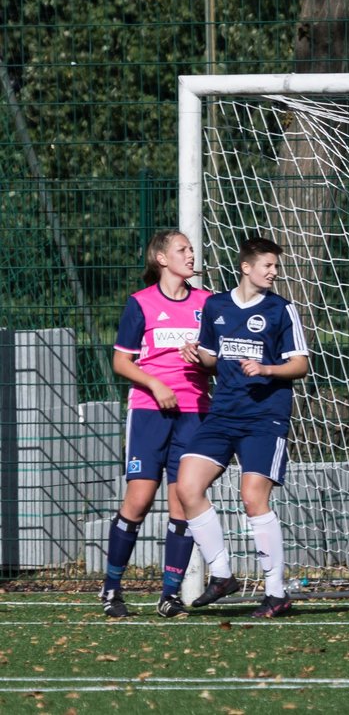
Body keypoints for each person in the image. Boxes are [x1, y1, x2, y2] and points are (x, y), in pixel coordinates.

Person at [174, 236, 309, 619]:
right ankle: (221, 575)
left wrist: (267, 368)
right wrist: (195, 354)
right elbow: (211, 359)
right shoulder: (216, 305)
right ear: (246, 267)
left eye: (276, 267)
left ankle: (276, 593)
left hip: (264, 417)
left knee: (252, 497)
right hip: (223, 414)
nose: (274, 272)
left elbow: (299, 364)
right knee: (187, 486)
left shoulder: (281, 309)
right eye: (268, 265)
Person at [101, 230, 212, 618]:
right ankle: (112, 590)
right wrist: (155, 383)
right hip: (149, 412)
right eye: (182, 249)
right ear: (161, 259)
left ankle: (170, 594)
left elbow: (218, 359)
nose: (190, 254)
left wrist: (203, 358)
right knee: (139, 500)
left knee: (183, 501)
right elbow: (122, 362)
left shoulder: (207, 304)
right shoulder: (141, 304)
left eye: (191, 249)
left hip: (194, 412)